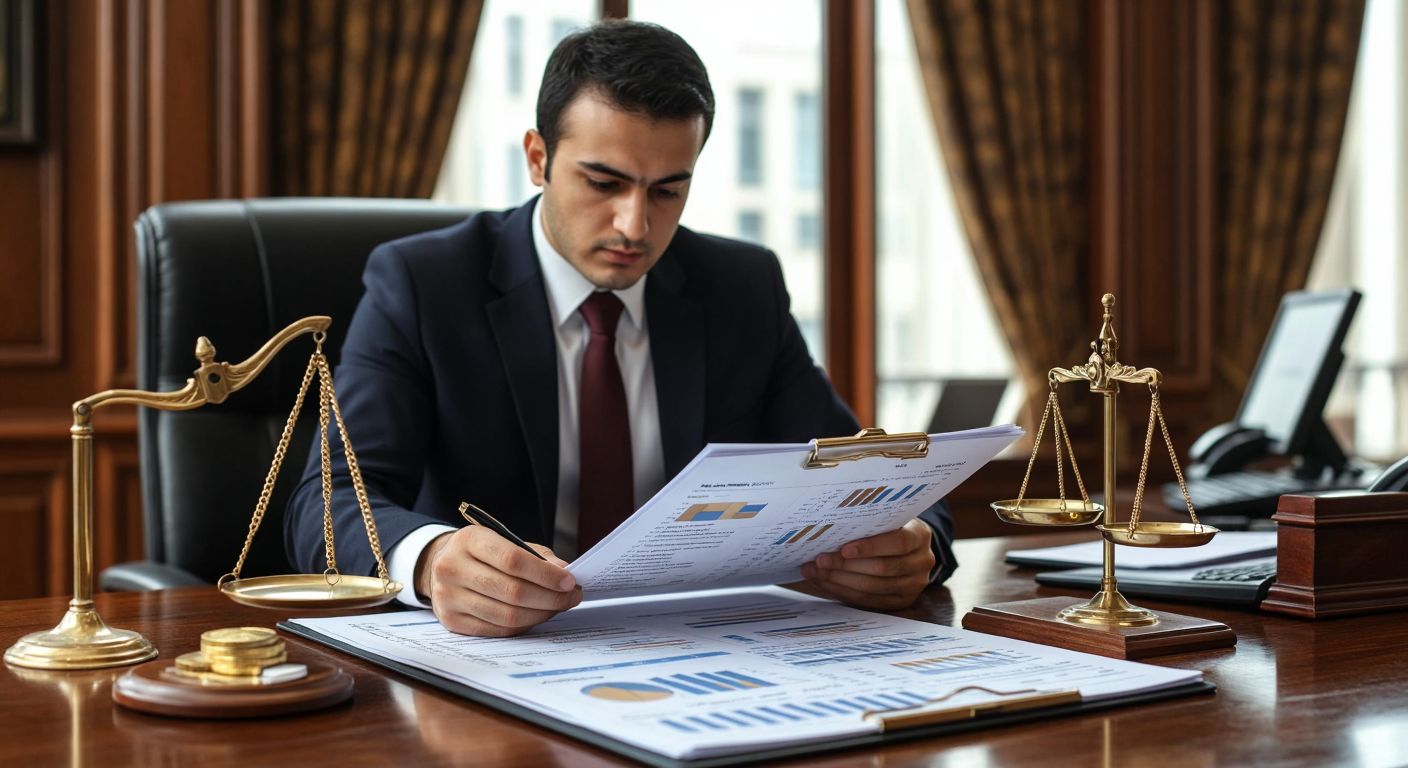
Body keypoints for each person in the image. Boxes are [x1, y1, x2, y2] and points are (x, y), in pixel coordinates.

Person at [285, 20, 956, 637]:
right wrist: (430, 562)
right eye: (603, 183)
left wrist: (914, 544)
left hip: (706, 647)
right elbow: (330, 500)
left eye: (667, 191)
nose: (635, 226)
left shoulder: (740, 287)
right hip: (507, 655)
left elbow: (862, 469)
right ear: (538, 158)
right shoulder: (423, 283)